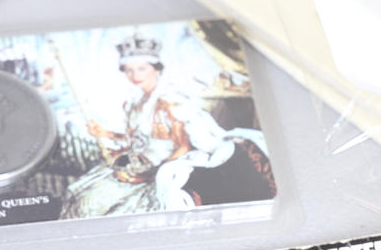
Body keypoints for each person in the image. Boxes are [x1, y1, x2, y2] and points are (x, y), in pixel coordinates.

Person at [60, 32, 271, 218]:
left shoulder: (170, 103)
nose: (135, 76)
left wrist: (150, 173)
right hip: (139, 161)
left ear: (156, 69)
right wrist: (105, 133)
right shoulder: (135, 102)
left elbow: (183, 146)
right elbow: (137, 138)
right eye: (129, 70)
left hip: (167, 163)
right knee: (83, 196)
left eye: (141, 69)